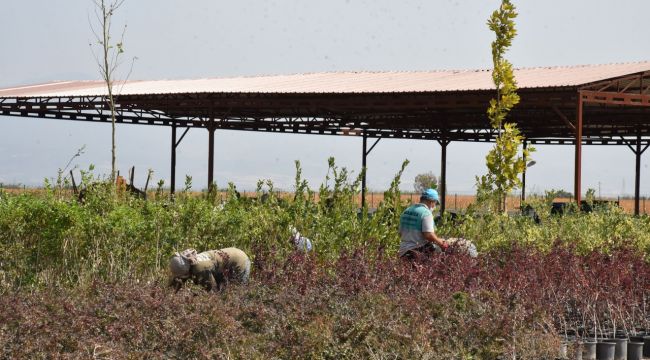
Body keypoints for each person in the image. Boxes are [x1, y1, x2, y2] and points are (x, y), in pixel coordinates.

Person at [169, 247, 251, 292]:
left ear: (186, 271)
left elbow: (212, 289)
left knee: (238, 293)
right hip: (222, 266)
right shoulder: (184, 263)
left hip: (239, 261)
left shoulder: (200, 268)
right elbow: (176, 283)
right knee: (223, 289)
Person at [398, 188, 449, 259]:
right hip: (417, 251)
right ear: (432, 202)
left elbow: (400, 233)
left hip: (403, 251)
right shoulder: (426, 213)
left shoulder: (407, 210)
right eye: (435, 203)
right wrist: (439, 242)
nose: (434, 206)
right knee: (439, 255)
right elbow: (428, 234)